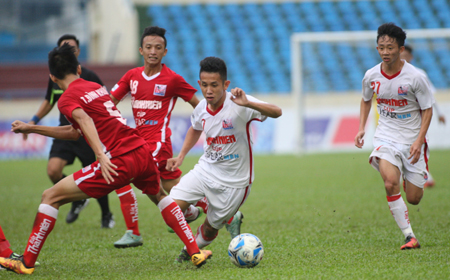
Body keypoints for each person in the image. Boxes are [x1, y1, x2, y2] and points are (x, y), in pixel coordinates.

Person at [0, 44, 211, 275]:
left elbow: (82, 119)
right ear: (79, 69)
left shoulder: (67, 99)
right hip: (141, 152)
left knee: (50, 197)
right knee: (160, 195)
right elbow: (74, 131)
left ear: (52, 76)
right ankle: (195, 251)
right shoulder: (95, 87)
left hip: (118, 159)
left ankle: (26, 262)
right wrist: (32, 127)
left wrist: (100, 154)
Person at [165, 56, 282, 262]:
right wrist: (181, 155)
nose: (208, 90)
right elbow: (195, 127)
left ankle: (187, 252)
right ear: (199, 83)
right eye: (204, 85)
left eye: (214, 85)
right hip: (206, 170)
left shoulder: (240, 103)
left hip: (235, 183)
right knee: (171, 209)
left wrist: (249, 103)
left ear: (225, 85)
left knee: (210, 230)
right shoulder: (201, 107)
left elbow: (277, 112)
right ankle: (194, 213)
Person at [109, 26, 213, 242]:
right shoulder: (131, 76)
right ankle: (200, 212)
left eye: (158, 47)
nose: (153, 51)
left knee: (134, 173)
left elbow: (199, 105)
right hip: (139, 140)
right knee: (171, 187)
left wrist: (212, 124)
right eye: (149, 47)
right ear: (141, 50)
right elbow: (110, 103)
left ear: (165, 52)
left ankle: (134, 232)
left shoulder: (172, 79)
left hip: (158, 143)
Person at [354, 23, 434, 250]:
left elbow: (427, 109)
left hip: (412, 142)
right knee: (390, 183)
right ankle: (410, 236)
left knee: (414, 198)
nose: (385, 52)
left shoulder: (415, 77)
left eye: (390, 47)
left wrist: (419, 140)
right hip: (385, 137)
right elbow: (366, 99)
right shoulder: (371, 75)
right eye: (381, 47)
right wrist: (362, 127)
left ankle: (411, 175)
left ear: (400, 49)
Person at [25, 34, 114, 228]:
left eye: (72, 49)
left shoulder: (89, 77)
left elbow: (106, 103)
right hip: (64, 129)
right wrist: (33, 121)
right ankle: (78, 197)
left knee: (99, 175)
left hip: (86, 134)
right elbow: (49, 101)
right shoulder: (55, 79)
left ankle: (106, 214)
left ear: (78, 53)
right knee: (53, 170)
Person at [400, 45, 445, 187]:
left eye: (406, 55)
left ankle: (424, 176)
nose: (403, 58)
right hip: (399, 118)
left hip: (417, 117)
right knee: (401, 147)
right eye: (402, 55)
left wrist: (439, 113)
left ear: (411, 57)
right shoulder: (393, 73)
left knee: (415, 145)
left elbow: (430, 96)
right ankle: (416, 176)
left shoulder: (419, 73)